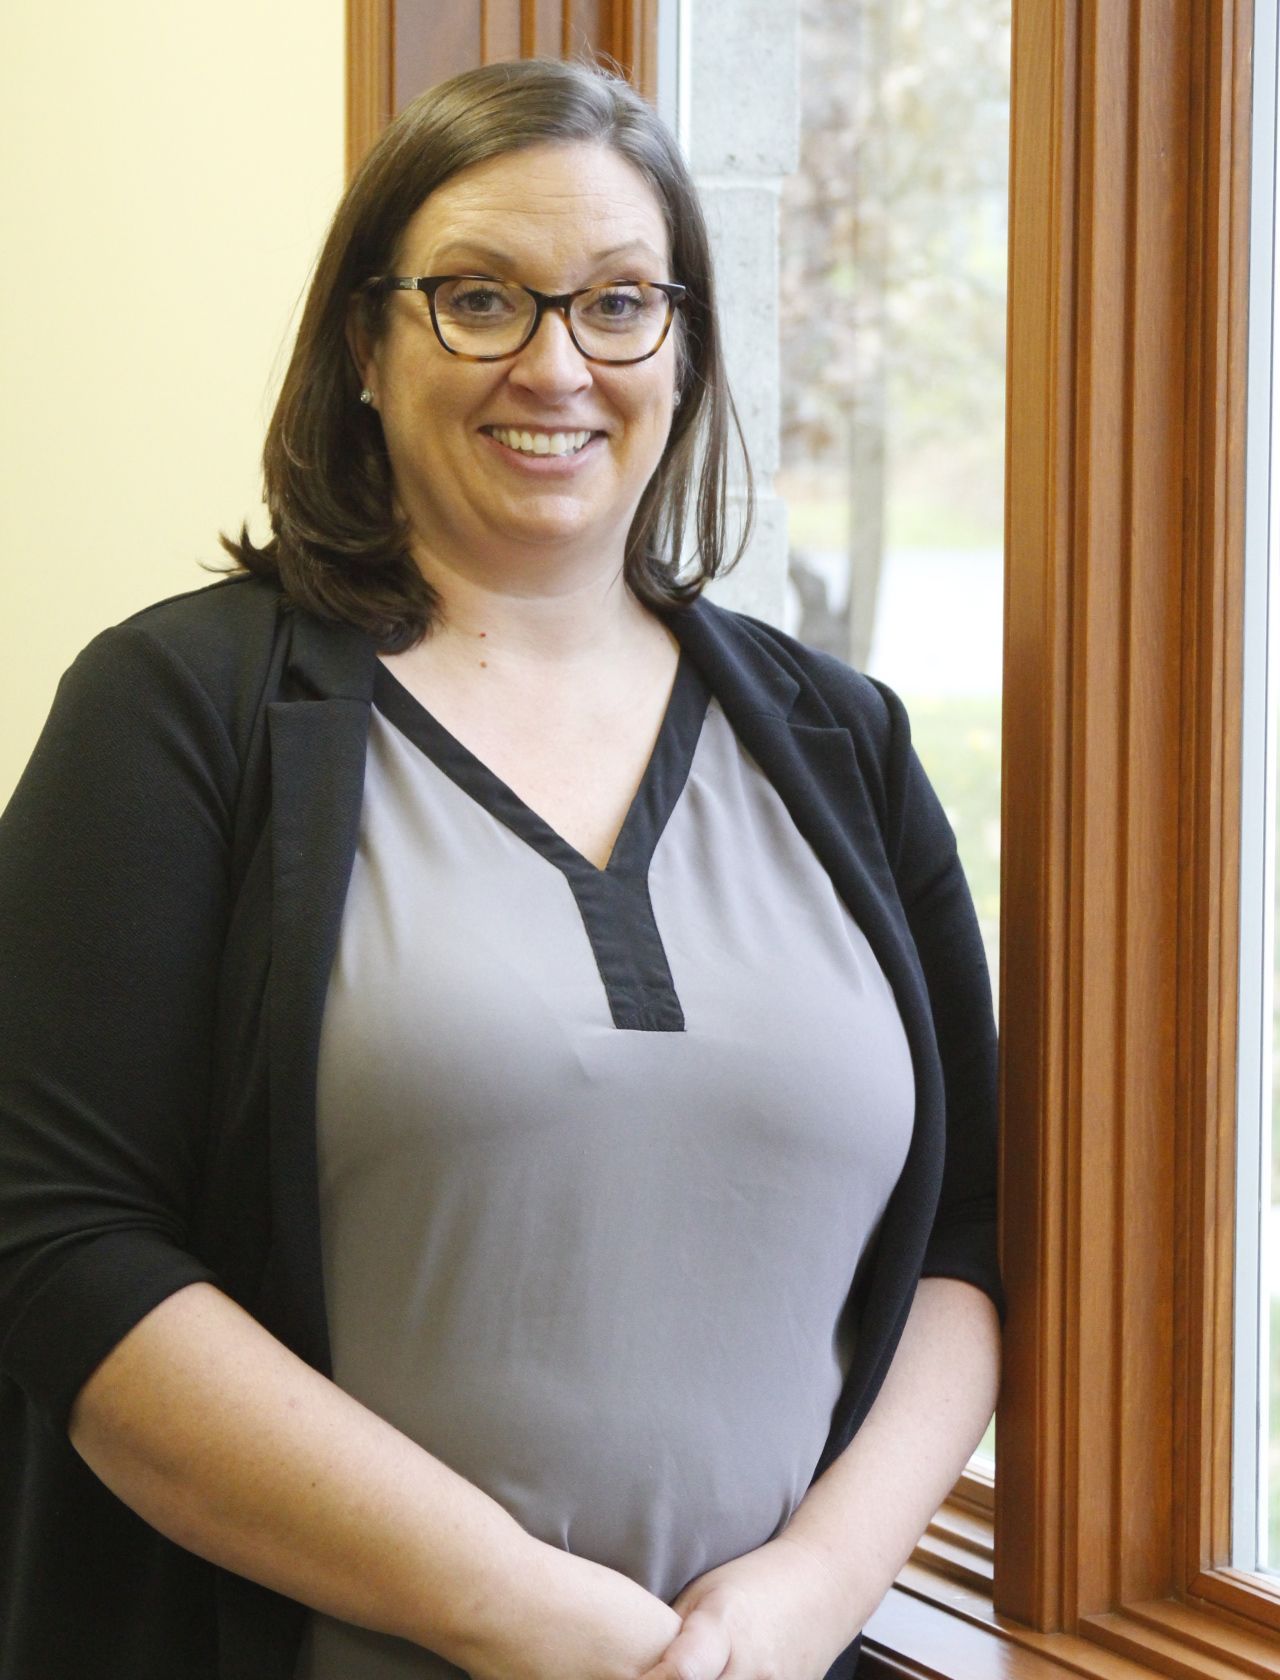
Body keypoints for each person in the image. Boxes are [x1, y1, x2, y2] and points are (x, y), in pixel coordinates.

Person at [0, 56, 1003, 1680]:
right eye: (480, 298)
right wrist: (530, 1616)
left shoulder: (846, 745)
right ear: (365, 346)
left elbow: (969, 1236)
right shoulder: (179, 712)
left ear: (681, 350)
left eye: (620, 304)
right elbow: (60, 1246)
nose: (556, 363)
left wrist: (813, 1592)